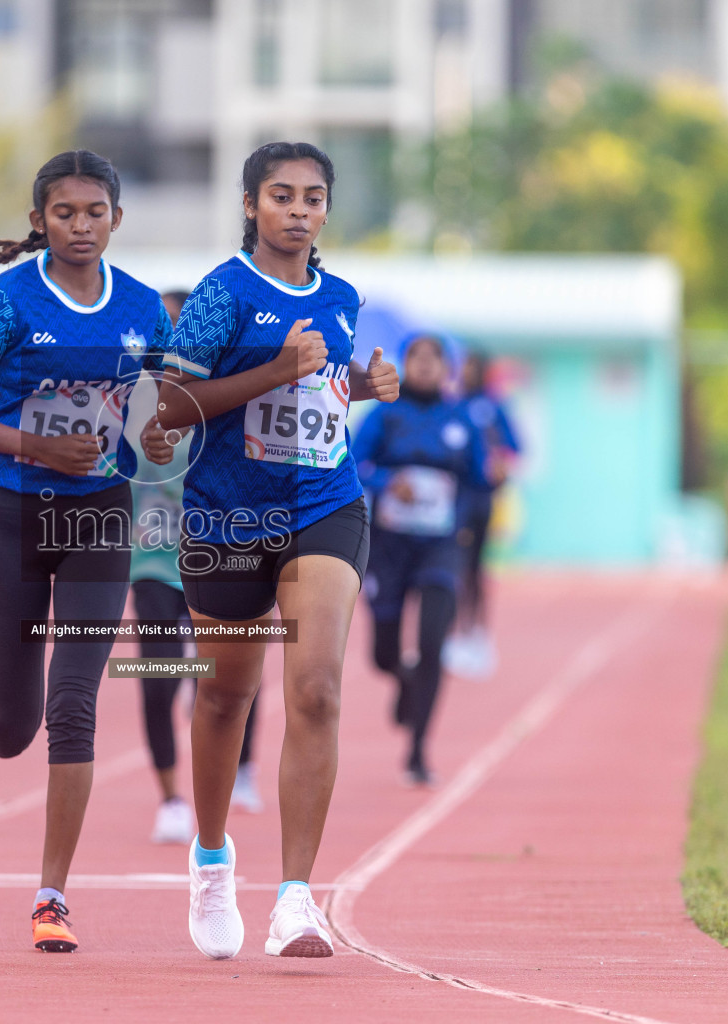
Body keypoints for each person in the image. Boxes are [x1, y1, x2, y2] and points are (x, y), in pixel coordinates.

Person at [0, 150, 174, 954]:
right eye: (64, 213)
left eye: (95, 212)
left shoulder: (141, 309)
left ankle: (52, 896)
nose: (80, 225)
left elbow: (161, 409)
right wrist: (34, 443)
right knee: (21, 720)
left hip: (99, 519)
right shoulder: (8, 302)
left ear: (116, 221)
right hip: (9, 518)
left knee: (74, 703)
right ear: (39, 221)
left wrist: (160, 435)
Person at [157, 141, 399, 960]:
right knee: (227, 697)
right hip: (228, 516)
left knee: (319, 689)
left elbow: (318, 387)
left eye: (314, 197)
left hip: (325, 502)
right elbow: (170, 406)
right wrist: (273, 371)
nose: (299, 210)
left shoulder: (342, 295)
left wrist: (363, 384)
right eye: (283, 196)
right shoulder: (222, 296)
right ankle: (213, 860)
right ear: (253, 205)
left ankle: (296, 898)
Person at [131, 289, 261, 848]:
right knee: (161, 678)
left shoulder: (229, 393)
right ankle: (170, 799)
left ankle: (243, 771)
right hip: (155, 561)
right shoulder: (129, 395)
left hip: (224, 554)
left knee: (228, 677)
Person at [353, 334, 490, 785]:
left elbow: (478, 480)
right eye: (417, 357)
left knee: (433, 643)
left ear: (448, 368)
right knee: (382, 653)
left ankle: (417, 751)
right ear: (404, 363)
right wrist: (389, 482)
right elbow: (351, 463)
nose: (427, 365)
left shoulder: (462, 420)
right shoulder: (385, 414)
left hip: (440, 546)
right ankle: (403, 678)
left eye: (436, 358)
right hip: (389, 545)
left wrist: (471, 508)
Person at [448, 348, 522, 677]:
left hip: (481, 499)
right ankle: (451, 635)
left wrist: (502, 466)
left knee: (476, 569)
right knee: (451, 569)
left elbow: (515, 446)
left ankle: (477, 634)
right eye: (464, 367)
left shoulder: (493, 407)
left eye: (473, 367)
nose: (467, 373)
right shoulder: (452, 406)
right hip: (452, 500)